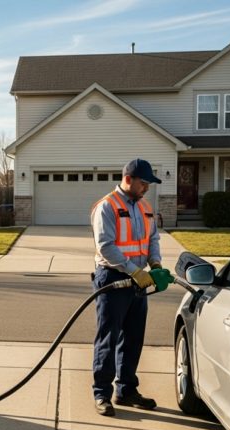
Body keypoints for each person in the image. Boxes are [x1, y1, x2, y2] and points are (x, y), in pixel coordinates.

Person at [90, 158, 163, 417]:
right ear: (128, 179)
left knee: (133, 337)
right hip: (112, 278)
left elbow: (153, 238)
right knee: (109, 338)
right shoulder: (107, 206)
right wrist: (134, 271)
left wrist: (155, 264)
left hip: (139, 279)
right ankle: (102, 394)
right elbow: (106, 246)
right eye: (144, 183)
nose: (147, 189)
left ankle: (126, 390)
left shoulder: (144, 207)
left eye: (149, 185)